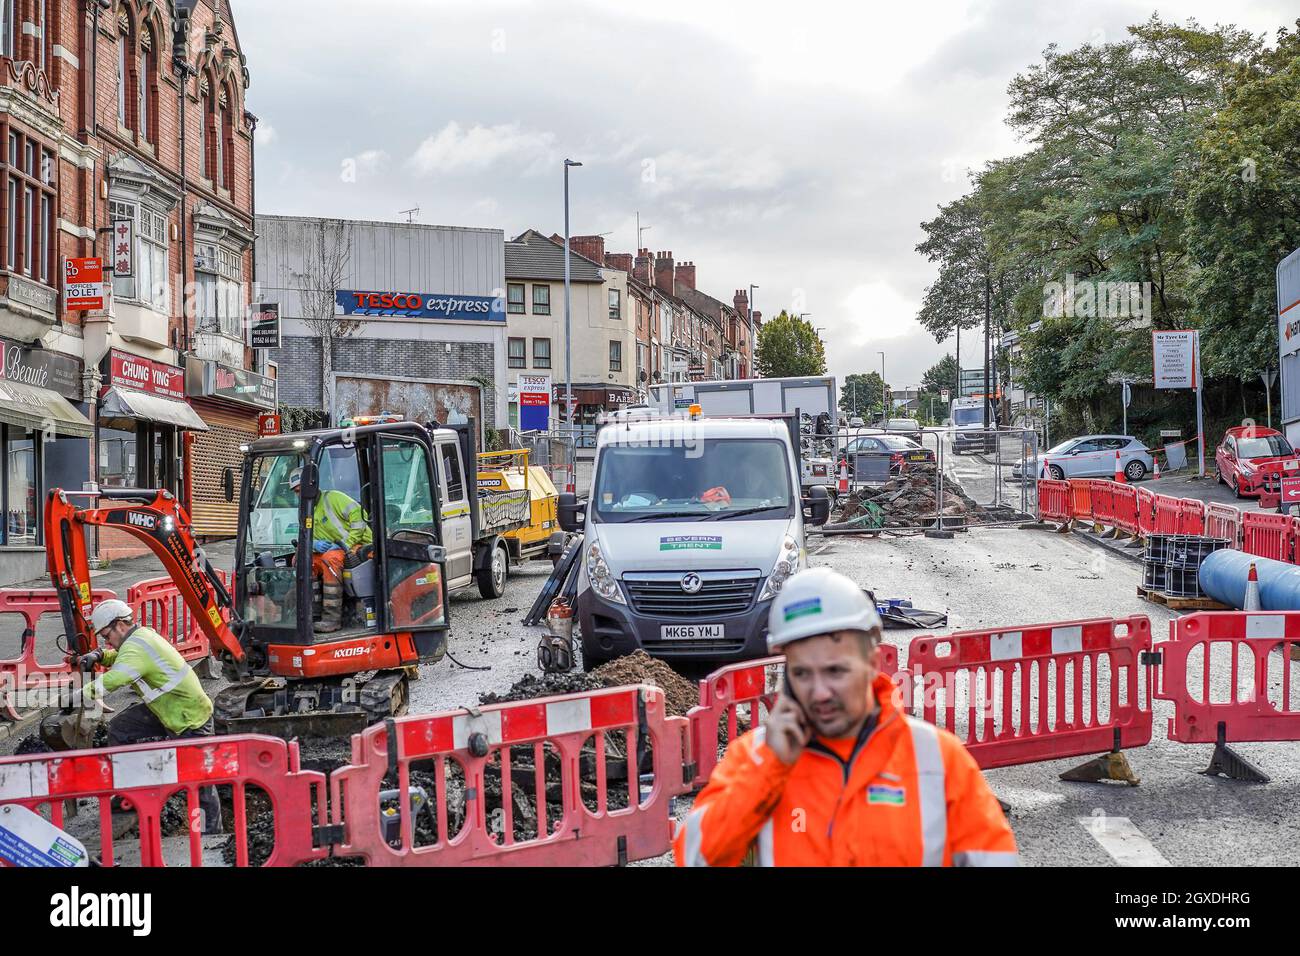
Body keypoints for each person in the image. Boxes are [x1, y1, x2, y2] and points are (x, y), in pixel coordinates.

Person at [674, 567, 1018, 867]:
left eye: (835, 671)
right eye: (802, 674)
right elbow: (696, 857)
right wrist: (768, 769)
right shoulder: (755, 757)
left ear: (872, 662)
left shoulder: (937, 759)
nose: (819, 692)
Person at [79, 599, 222, 835]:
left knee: (200, 782)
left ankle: (210, 835)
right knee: (121, 729)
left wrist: (79, 695)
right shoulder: (140, 638)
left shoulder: (137, 646)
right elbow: (121, 656)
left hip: (189, 718)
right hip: (167, 709)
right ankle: (129, 795)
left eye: (106, 636)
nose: (107, 641)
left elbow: (118, 677)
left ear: (120, 625)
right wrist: (100, 655)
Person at [288, 467, 373, 632]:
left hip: (360, 545)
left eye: (301, 490)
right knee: (304, 561)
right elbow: (305, 534)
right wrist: (313, 544)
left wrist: (346, 543)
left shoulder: (333, 498)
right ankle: (312, 613)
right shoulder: (305, 510)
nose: (300, 495)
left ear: (312, 486)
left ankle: (332, 618)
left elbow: (358, 517)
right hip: (333, 549)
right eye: (296, 492)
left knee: (330, 559)